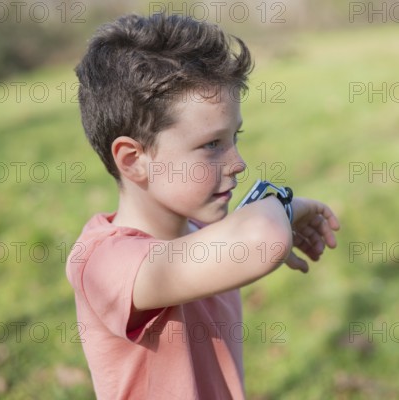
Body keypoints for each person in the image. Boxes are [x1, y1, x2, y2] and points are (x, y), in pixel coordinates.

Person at [66, 13, 340, 399]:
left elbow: (253, 241)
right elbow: (263, 235)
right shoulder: (103, 264)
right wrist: (288, 207)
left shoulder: (202, 234)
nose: (238, 162)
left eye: (234, 137)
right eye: (212, 144)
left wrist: (279, 217)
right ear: (133, 160)